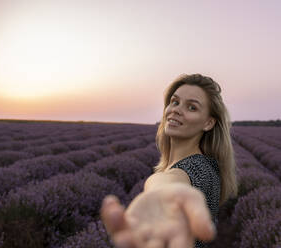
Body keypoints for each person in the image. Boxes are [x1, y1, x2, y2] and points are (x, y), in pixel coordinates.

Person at [100, 73, 238, 248]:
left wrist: (159, 190)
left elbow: (170, 181)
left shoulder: (196, 168)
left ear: (208, 123)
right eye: (175, 102)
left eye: (192, 107)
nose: (176, 110)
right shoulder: (210, 164)